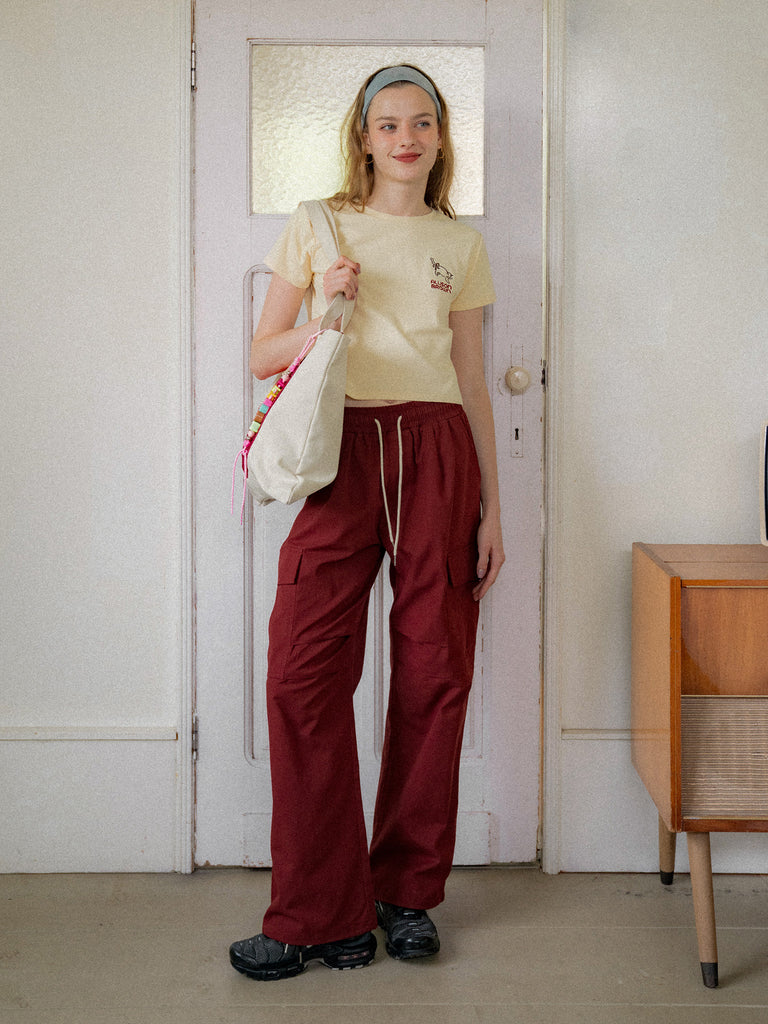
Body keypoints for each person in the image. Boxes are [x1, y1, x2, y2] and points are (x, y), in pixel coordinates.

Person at [230, 64, 505, 982]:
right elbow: (261, 354)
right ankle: (322, 913)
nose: (405, 138)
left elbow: (472, 380)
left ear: (440, 136)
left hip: (437, 453)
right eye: (388, 123)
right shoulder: (319, 224)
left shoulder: (459, 244)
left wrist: (492, 508)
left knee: (436, 673)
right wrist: (323, 312)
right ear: (363, 137)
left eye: (421, 122)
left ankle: (405, 895)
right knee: (301, 673)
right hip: (340, 449)